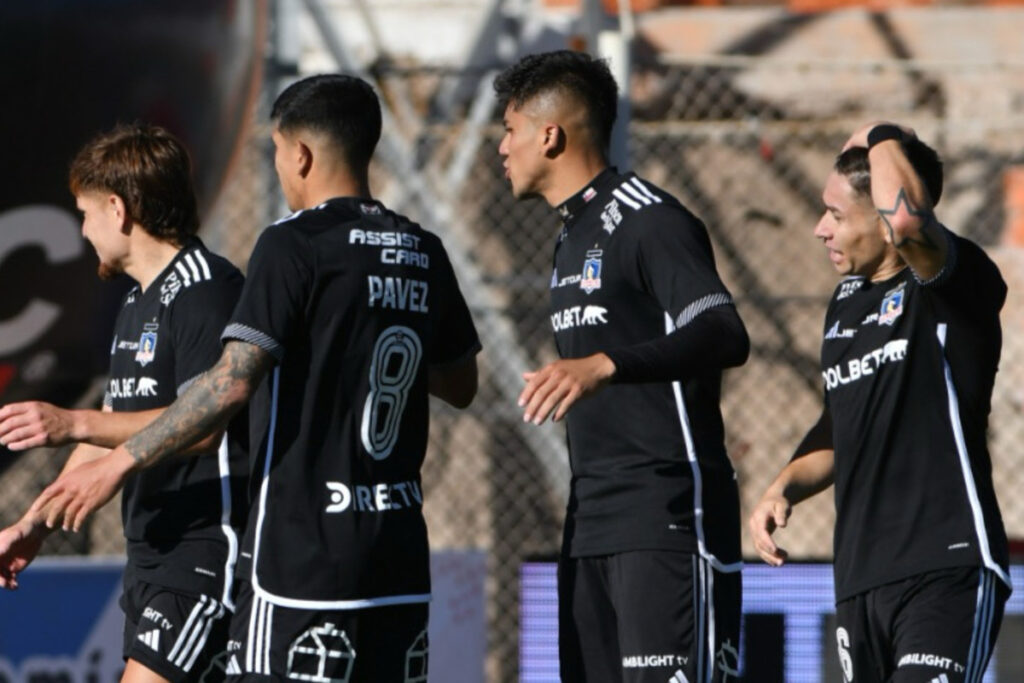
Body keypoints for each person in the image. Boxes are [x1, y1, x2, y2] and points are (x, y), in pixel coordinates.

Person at [31, 74, 481, 682]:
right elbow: (461, 385)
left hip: (301, 559)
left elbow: (232, 385)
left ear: (300, 154)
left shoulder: (291, 245)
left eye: (274, 152)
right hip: (396, 552)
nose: (277, 169)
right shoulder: (422, 248)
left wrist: (117, 460)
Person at [495, 50, 750, 683]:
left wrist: (604, 364)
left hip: (667, 515)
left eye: (509, 130)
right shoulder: (568, 236)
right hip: (590, 524)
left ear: (549, 135)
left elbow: (723, 331)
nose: (501, 148)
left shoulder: (649, 219)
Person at [749, 122, 1012, 682]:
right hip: (861, 580)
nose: (821, 229)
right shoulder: (845, 305)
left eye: (838, 216)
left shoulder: (951, 287)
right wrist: (782, 487)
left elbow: (912, 220)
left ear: (885, 223)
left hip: (947, 565)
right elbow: (844, 426)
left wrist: (883, 134)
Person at [0, 123, 246, 682]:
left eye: (84, 213)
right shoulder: (135, 302)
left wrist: (72, 420)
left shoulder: (209, 290)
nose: (82, 231)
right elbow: (108, 429)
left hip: (204, 553)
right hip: (152, 557)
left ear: (117, 209)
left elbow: (205, 422)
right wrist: (33, 524)